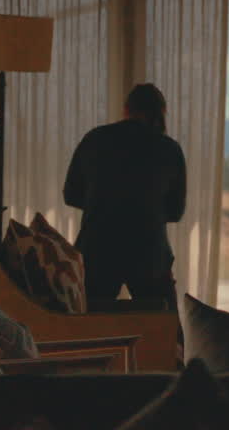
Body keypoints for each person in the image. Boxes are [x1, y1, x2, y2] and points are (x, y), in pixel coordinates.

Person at [64, 83, 186, 308]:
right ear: (161, 112)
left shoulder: (95, 139)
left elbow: (70, 195)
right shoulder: (169, 149)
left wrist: (101, 203)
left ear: (127, 109)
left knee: (88, 325)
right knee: (163, 326)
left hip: (97, 247)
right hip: (149, 250)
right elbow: (176, 211)